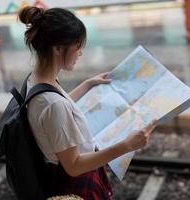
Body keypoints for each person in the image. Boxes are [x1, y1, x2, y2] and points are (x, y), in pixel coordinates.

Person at [18, 6, 158, 200]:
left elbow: (55, 107)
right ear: (58, 48)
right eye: (77, 45)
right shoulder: (54, 105)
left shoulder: (35, 80)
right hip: (75, 185)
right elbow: (74, 166)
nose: (81, 52)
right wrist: (126, 146)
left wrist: (87, 84)